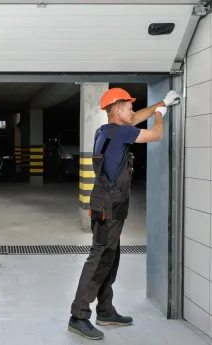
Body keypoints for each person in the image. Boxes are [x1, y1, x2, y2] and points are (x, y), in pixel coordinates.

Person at [68, 88, 181, 340]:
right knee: (99, 259)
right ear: (117, 109)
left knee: (109, 258)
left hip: (106, 204)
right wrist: (161, 113)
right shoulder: (122, 132)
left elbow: (135, 119)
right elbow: (156, 133)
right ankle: (78, 315)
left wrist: (161, 103)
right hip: (110, 206)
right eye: (128, 106)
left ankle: (105, 311)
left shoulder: (106, 131)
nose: (132, 110)